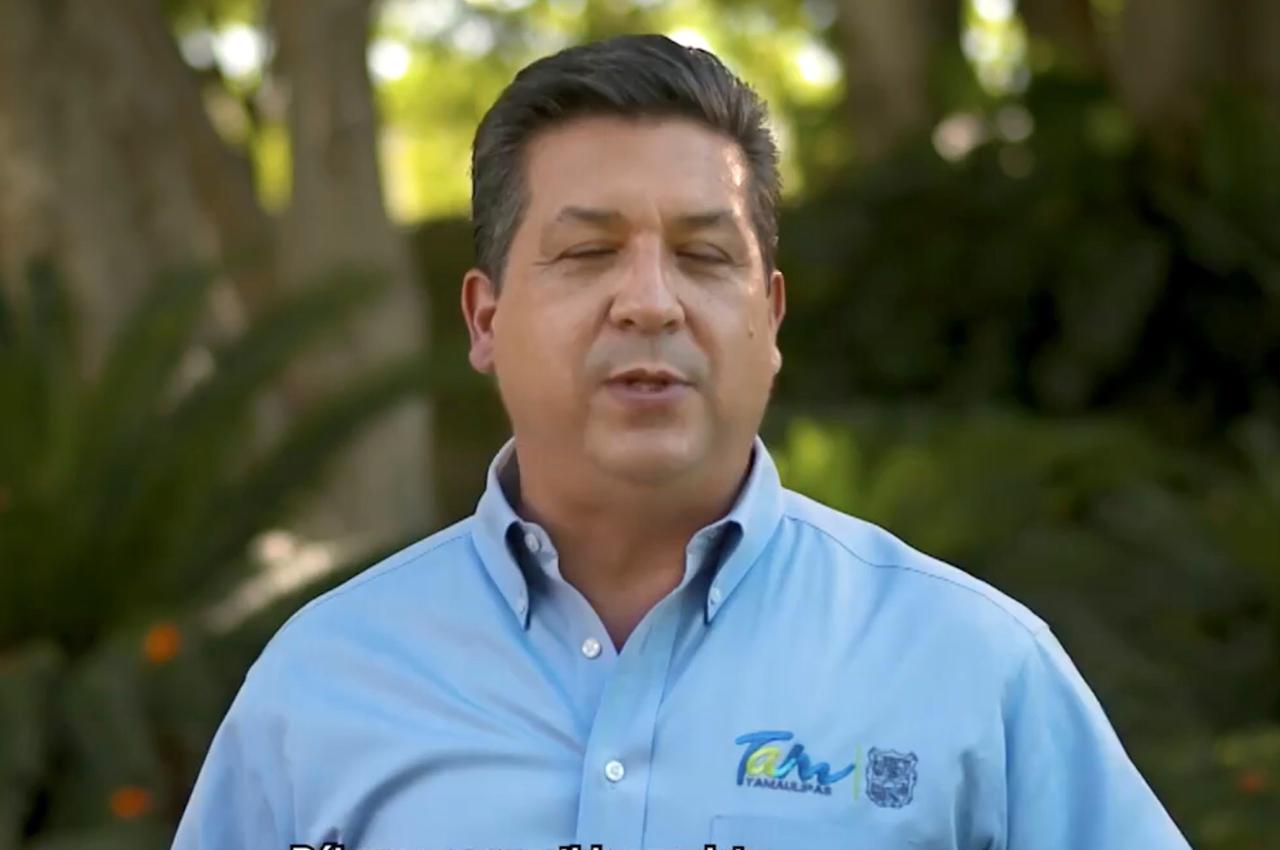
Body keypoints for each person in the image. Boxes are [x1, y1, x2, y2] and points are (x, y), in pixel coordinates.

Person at [171, 33, 1194, 850]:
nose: (650, 302)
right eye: (588, 251)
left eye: (704, 255)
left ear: (770, 319)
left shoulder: (972, 668)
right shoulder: (323, 681)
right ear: (484, 319)